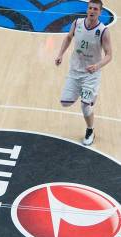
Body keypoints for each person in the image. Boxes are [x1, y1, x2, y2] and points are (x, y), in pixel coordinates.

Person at [55, 0, 113, 146]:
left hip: (91, 74)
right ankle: (88, 94)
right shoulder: (77, 23)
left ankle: (90, 130)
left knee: (85, 106)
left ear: (100, 12)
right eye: (90, 8)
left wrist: (97, 65)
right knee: (65, 102)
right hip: (75, 71)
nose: (92, 11)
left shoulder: (103, 31)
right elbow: (68, 37)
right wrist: (60, 54)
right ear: (87, 10)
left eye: (95, 9)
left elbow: (109, 55)